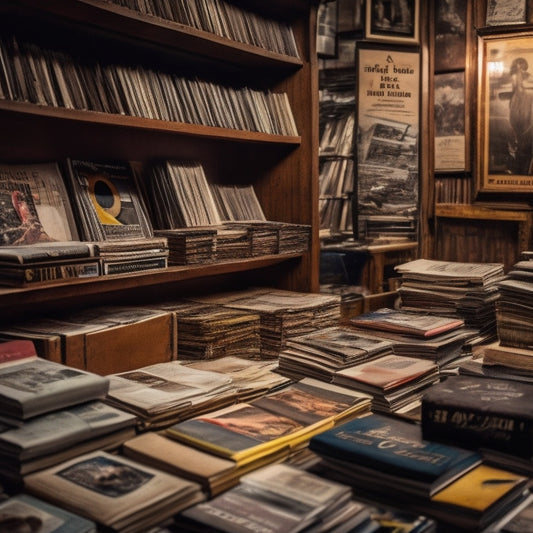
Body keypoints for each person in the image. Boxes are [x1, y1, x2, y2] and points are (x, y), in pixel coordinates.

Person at [508, 56, 533, 174]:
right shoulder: (515, 96)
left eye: (521, 66)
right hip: (518, 137)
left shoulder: (529, 93)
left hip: (526, 139)